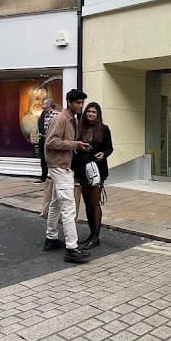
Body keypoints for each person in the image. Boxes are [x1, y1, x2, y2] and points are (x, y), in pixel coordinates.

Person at [43, 89, 92, 263]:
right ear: (69, 103)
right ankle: (72, 248)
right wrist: (75, 144)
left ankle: (51, 239)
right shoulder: (61, 119)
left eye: (82, 102)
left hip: (62, 165)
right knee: (69, 206)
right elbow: (51, 142)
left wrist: (77, 146)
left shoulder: (72, 119)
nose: (81, 105)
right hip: (59, 166)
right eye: (78, 102)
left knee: (56, 203)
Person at [73, 102, 113, 250]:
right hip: (82, 170)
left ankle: (96, 237)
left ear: (98, 115)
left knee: (94, 203)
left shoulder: (104, 129)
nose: (90, 114)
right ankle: (91, 234)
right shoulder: (80, 128)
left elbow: (110, 148)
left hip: (97, 170)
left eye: (93, 112)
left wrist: (104, 154)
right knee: (88, 203)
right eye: (88, 111)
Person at [36, 98, 57, 183]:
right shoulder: (43, 114)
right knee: (43, 159)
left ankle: (53, 177)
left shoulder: (56, 114)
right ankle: (43, 177)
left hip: (51, 139)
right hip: (43, 139)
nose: (42, 106)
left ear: (49, 105)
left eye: (44, 104)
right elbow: (40, 126)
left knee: (52, 158)